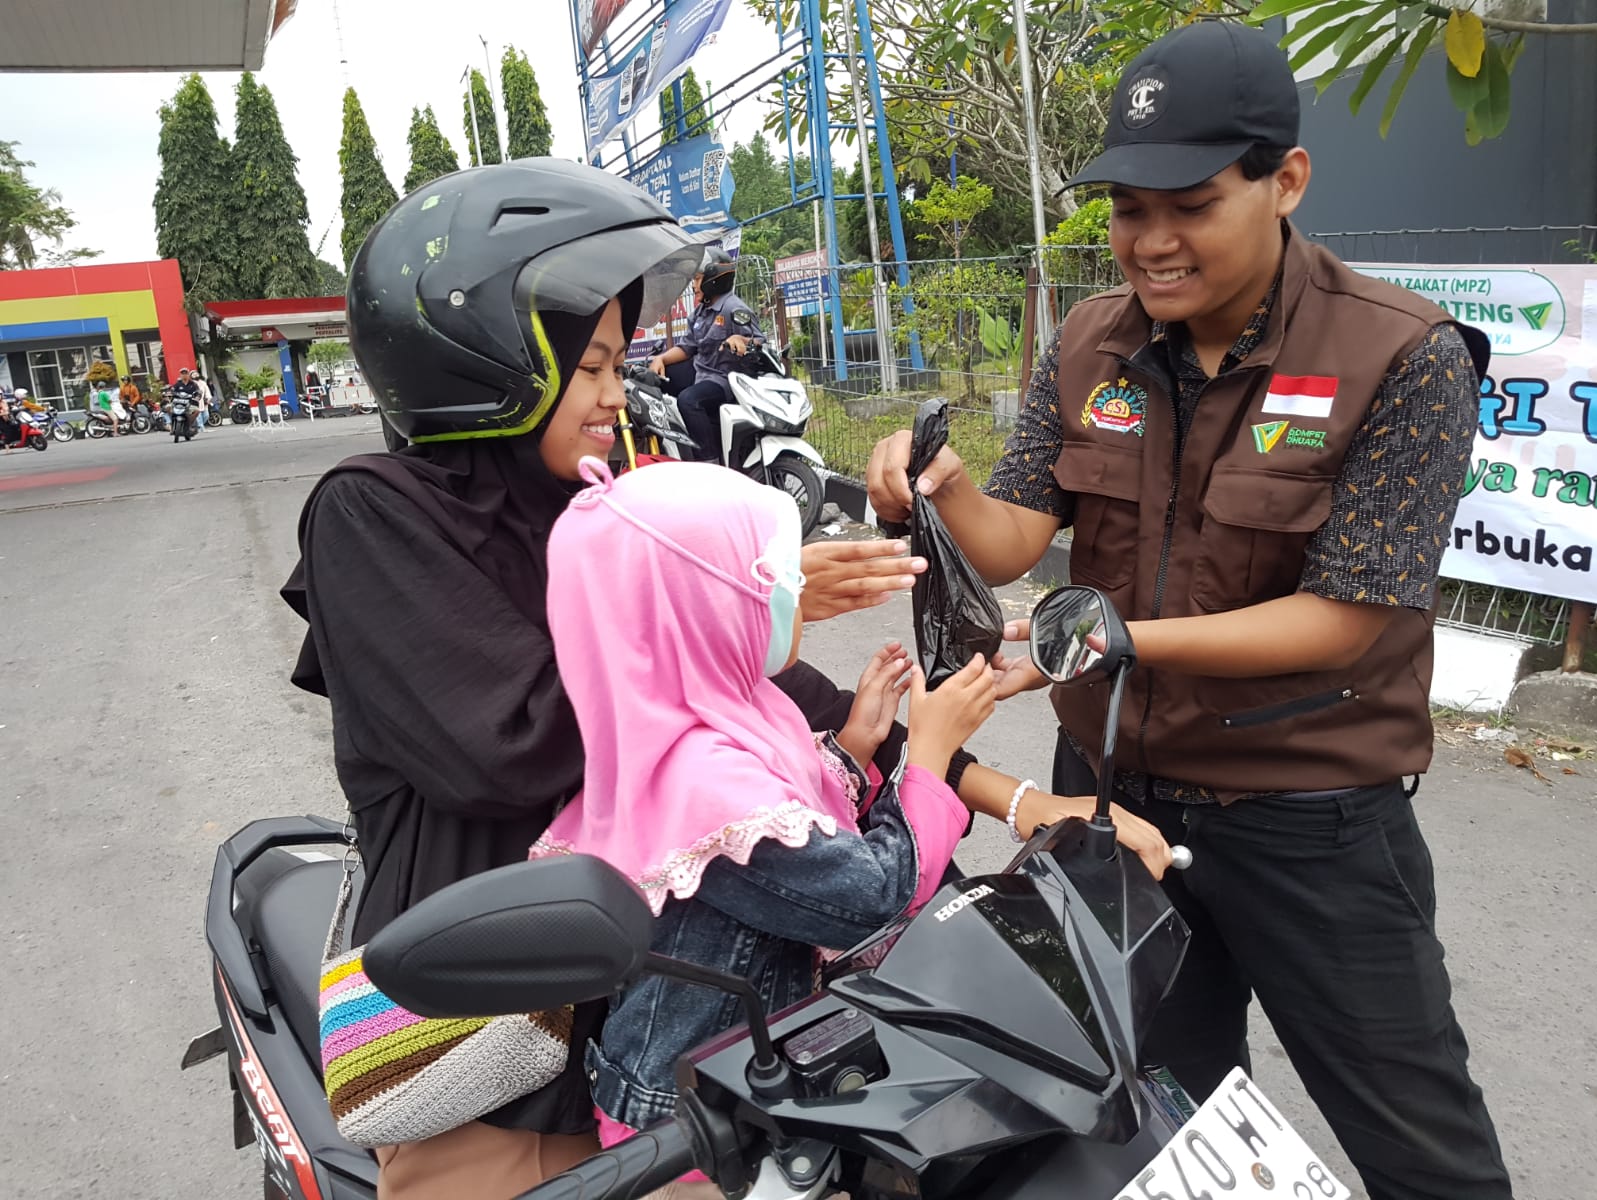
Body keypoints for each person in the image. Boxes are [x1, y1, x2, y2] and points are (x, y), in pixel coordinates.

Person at [280, 159, 1168, 1200]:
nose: (617, 393)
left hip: (693, 1050)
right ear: (489, 360)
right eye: (591, 365)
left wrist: (1017, 798)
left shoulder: (601, 507)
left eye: (618, 363)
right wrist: (728, 617)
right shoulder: (375, 514)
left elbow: (776, 705)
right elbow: (504, 747)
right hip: (496, 1073)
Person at [866, 21, 1510, 1200]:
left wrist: (1109, 638)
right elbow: (1015, 536)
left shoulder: (1403, 356)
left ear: (1286, 181)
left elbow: (1347, 617)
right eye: (1127, 209)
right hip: (1110, 806)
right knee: (1156, 1127)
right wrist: (941, 487)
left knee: (1422, 1149)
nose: (1151, 242)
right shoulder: (1087, 341)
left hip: (1310, 816)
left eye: (1191, 205)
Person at [528, 459, 992, 1192]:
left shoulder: (702, 715)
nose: (793, 593)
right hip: (700, 1138)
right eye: (775, 575)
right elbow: (870, 896)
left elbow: (785, 844)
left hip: (733, 1085)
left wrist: (852, 749)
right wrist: (928, 761)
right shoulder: (702, 778)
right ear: (700, 605)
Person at [647, 248, 761, 462]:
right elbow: (686, 348)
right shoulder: (700, 313)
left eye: (698, 279)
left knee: (689, 401)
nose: (694, 285)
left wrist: (741, 340)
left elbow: (759, 342)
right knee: (650, 382)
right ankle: (667, 449)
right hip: (702, 373)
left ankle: (709, 460)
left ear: (714, 280)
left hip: (725, 379)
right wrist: (659, 359)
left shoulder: (733, 309)